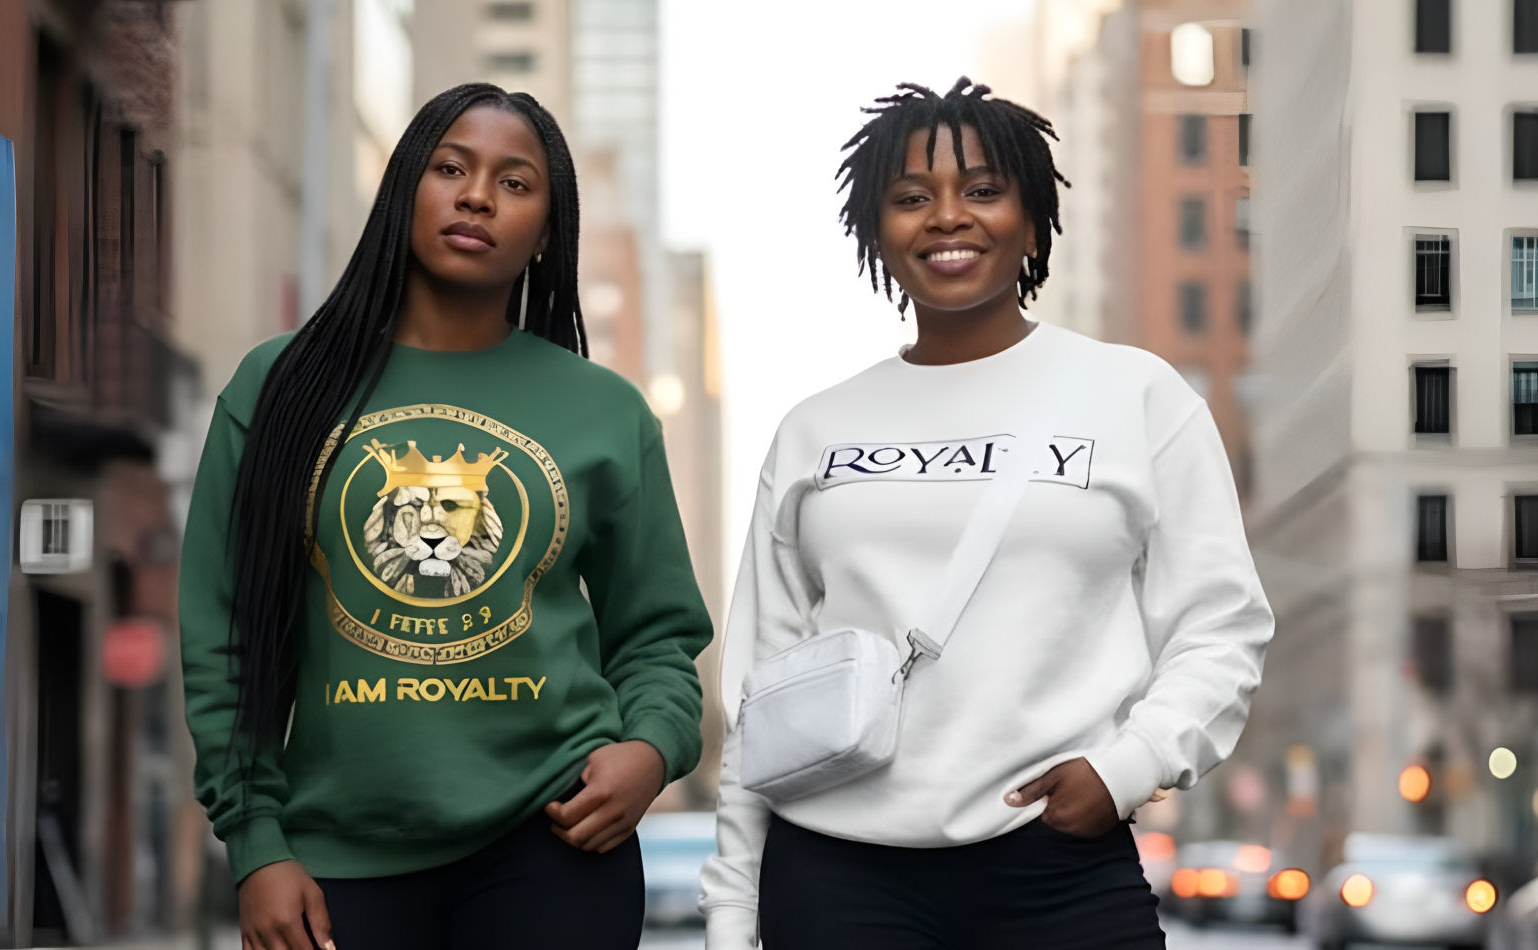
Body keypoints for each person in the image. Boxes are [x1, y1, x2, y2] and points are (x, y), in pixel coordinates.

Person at [699, 78, 1274, 949]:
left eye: (981, 190)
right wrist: (735, 912)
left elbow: (1221, 625)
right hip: (837, 871)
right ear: (875, 230)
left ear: (1032, 219)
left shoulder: (1136, 395)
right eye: (910, 198)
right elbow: (761, 688)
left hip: (1057, 861)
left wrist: (1129, 768)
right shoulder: (816, 427)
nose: (946, 217)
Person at [178, 83, 712, 950]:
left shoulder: (604, 410)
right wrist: (255, 843)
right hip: (332, 859)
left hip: (554, 840)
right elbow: (222, 636)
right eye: (451, 168)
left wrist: (650, 751)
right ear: (402, 193)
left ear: (548, 229)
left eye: (515, 182)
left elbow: (656, 635)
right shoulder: (280, 386)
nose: (477, 196)